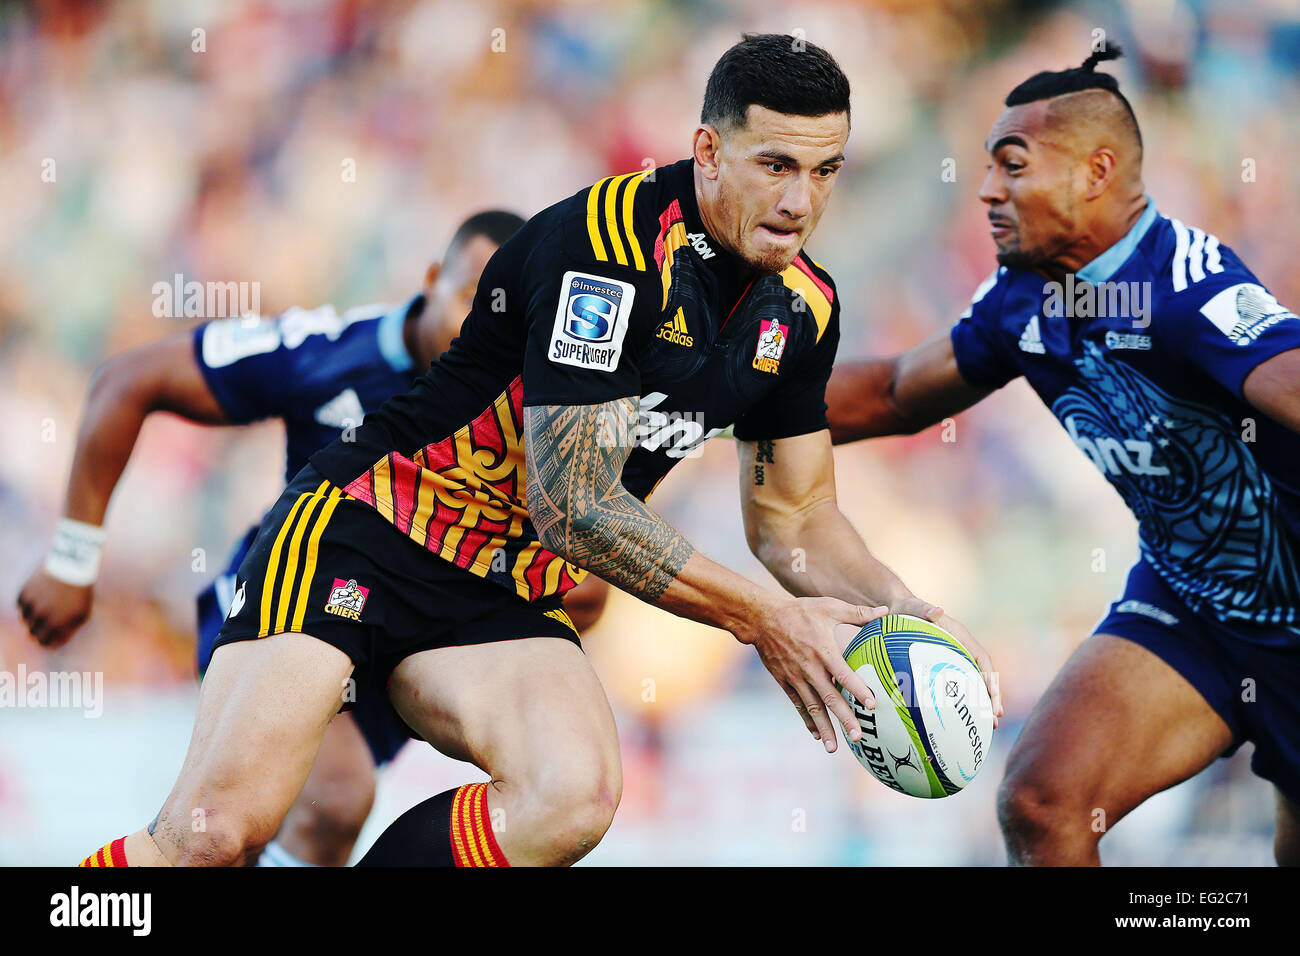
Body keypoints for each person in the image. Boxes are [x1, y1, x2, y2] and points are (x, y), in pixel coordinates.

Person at [80, 32, 998, 869]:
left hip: (504, 581)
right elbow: (573, 504)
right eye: (777, 165)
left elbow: (795, 518)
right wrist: (763, 618)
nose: (802, 201)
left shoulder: (804, 307)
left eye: (827, 170)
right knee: (214, 838)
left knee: (571, 798)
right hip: (372, 527)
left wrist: (903, 607)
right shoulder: (608, 247)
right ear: (708, 151)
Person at [824, 47, 1300, 865]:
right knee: (1046, 802)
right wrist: (720, 398)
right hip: (1192, 609)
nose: (986, 190)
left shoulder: (1188, 290)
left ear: (1095, 172)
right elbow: (899, 392)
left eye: (1013, 165)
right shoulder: (1024, 298)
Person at [22, 210, 606, 866]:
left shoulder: (544, 408)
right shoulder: (333, 350)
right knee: (270, 816)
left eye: (512, 314)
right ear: (433, 279)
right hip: (296, 602)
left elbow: (583, 594)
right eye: (473, 299)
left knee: (301, 825)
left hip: (418, 640)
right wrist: (72, 559)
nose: (486, 327)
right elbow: (129, 379)